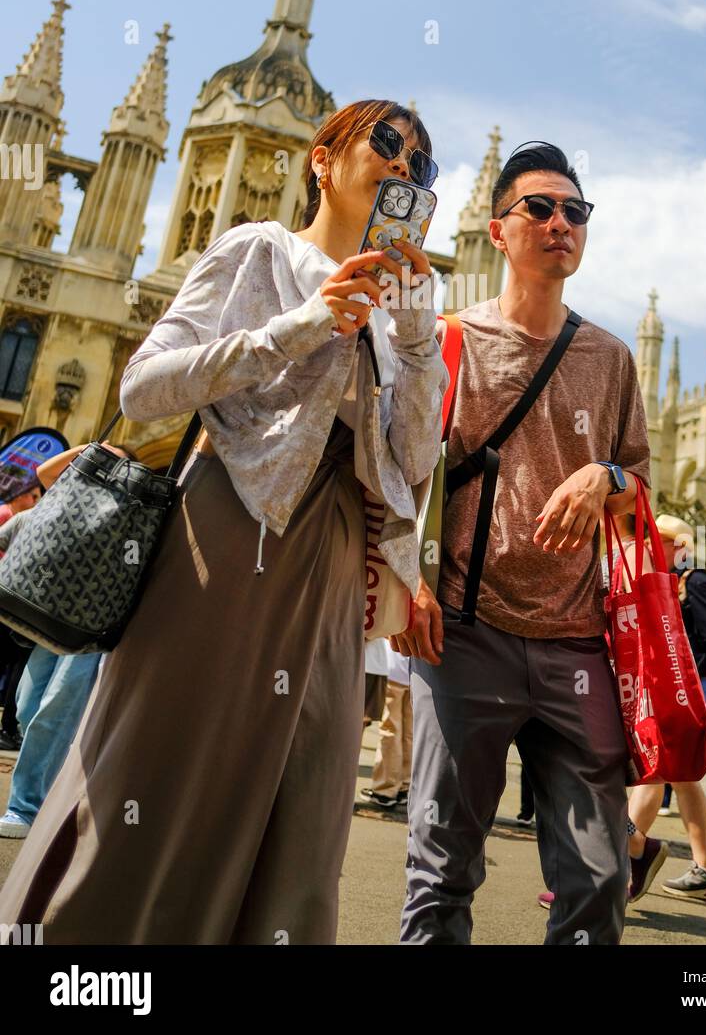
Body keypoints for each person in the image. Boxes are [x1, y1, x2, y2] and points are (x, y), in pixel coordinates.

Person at [0, 98, 449, 946]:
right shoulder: (258, 250)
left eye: (420, 165)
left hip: (333, 553)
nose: (402, 166)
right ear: (323, 157)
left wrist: (418, 342)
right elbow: (143, 388)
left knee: (304, 790)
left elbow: (414, 459)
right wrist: (299, 327)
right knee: (164, 758)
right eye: (386, 142)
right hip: (227, 526)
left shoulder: (402, 313)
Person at [392, 139, 652, 946]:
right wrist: (412, 580)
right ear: (496, 231)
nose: (560, 222)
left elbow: (643, 491)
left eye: (575, 210)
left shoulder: (610, 358)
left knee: (599, 880)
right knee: (442, 875)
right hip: (465, 638)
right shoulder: (445, 339)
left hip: (579, 649)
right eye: (538, 208)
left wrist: (606, 476)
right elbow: (398, 477)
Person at [0, 444, 135, 838]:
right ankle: (60, 796)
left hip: (94, 627)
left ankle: (26, 810)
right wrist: (98, 445)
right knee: (27, 711)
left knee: (56, 709)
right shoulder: (72, 492)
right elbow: (44, 472)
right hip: (54, 621)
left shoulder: (130, 505)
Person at [626, 515, 706, 904]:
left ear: (680, 546)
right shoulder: (672, 583)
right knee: (681, 775)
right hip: (674, 687)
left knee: (658, 769)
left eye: (659, 539)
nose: (650, 545)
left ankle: (624, 858)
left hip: (692, 688)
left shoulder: (697, 581)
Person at [0, 481, 43, 750]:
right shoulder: (24, 516)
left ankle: (8, 728)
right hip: (29, 604)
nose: (36, 500)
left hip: (9, 596)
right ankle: (8, 729)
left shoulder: (25, 518)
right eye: (34, 495)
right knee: (18, 663)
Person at [362, 644, 413, 809]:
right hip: (415, 672)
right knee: (409, 733)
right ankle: (405, 786)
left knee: (391, 730)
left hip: (394, 670)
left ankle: (386, 788)